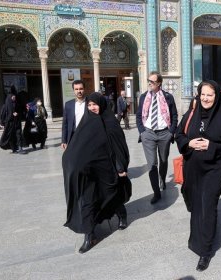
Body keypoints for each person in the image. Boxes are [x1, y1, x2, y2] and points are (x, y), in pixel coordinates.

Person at [175, 80, 221, 272]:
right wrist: (189, 143)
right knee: (196, 205)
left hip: (214, 169)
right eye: (203, 94)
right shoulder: (192, 114)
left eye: (210, 95)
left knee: (207, 206)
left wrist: (212, 146)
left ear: (216, 97)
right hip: (193, 168)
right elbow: (179, 134)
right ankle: (196, 240)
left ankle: (206, 251)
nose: (206, 98)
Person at [62, 92, 131, 254]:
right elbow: (76, 146)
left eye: (95, 104)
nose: (92, 107)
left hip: (109, 170)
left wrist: (121, 167)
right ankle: (89, 236)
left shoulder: (110, 123)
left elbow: (119, 147)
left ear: (102, 104)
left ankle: (122, 215)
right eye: (89, 105)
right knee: (87, 202)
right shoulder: (85, 123)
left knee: (112, 196)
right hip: (89, 173)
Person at [136, 71, 178, 204]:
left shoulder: (168, 97)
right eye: (149, 80)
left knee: (163, 160)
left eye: (152, 82)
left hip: (164, 133)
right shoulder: (143, 97)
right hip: (148, 133)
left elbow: (174, 115)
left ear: (159, 83)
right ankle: (156, 192)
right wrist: (142, 131)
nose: (149, 83)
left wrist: (171, 132)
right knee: (152, 164)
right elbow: (138, 115)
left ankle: (162, 180)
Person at [61, 80, 86, 150]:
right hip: (73, 136)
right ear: (73, 90)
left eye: (81, 89)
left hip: (87, 136)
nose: (79, 91)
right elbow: (65, 124)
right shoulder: (68, 105)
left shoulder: (90, 103)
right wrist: (64, 140)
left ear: (84, 89)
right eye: (76, 89)